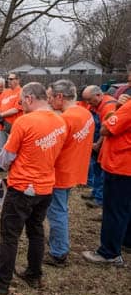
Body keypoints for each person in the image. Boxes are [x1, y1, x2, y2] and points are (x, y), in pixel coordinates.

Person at [0, 82, 67, 295]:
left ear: (29, 99)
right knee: (36, 231)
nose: (20, 106)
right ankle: (34, 274)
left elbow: (6, 157)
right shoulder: (61, 121)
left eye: (21, 102)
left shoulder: (24, 122)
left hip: (22, 187)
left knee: (10, 234)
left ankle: (1, 281)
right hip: (46, 187)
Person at [44, 80, 94, 267]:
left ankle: (59, 252)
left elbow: (53, 146)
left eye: (50, 97)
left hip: (61, 173)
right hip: (76, 169)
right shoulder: (85, 113)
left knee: (57, 212)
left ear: (59, 97)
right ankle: (59, 242)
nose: (48, 101)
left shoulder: (65, 120)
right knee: (61, 208)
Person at [81, 95, 131, 266]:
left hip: (120, 166)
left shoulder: (128, 107)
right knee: (125, 208)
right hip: (125, 166)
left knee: (113, 210)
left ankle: (109, 253)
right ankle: (125, 240)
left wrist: (116, 110)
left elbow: (106, 129)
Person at [81, 85, 116, 208]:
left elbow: (107, 129)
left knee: (101, 170)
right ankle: (95, 192)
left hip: (103, 144)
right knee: (96, 167)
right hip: (94, 141)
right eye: (87, 100)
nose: (89, 103)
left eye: (90, 100)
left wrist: (98, 144)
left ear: (98, 95)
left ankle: (100, 198)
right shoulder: (95, 105)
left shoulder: (109, 106)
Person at [0, 73, 23, 172]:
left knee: (12, 147)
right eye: (7, 79)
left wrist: (1, 115)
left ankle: (13, 166)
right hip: (2, 123)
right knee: (1, 145)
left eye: (11, 79)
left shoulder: (21, 92)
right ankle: (2, 165)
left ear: (18, 80)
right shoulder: (5, 92)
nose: (8, 81)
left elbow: (16, 109)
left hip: (13, 125)